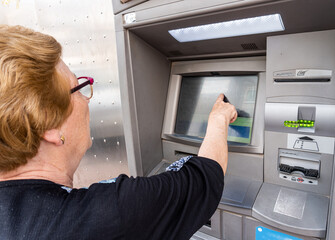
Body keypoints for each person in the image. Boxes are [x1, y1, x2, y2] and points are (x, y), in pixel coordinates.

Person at [0, 25, 237, 240]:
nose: (86, 100)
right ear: (50, 127)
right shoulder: (111, 212)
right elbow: (204, 179)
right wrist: (219, 118)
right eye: (78, 88)